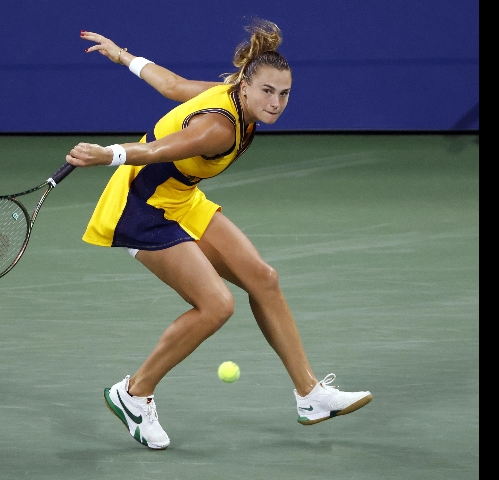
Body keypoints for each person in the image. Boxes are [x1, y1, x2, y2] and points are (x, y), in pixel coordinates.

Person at [66, 19, 372, 450]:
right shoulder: (220, 128)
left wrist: (124, 57)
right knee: (216, 305)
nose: (276, 103)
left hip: (180, 197)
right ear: (246, 86)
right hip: (141, 208)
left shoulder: (232, 95)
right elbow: (154, 151)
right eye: (267, 91)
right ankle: (133, 394)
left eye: (284, 93)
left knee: (263, 279)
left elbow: (172, 85)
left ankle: (310, 394)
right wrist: (108, 155)